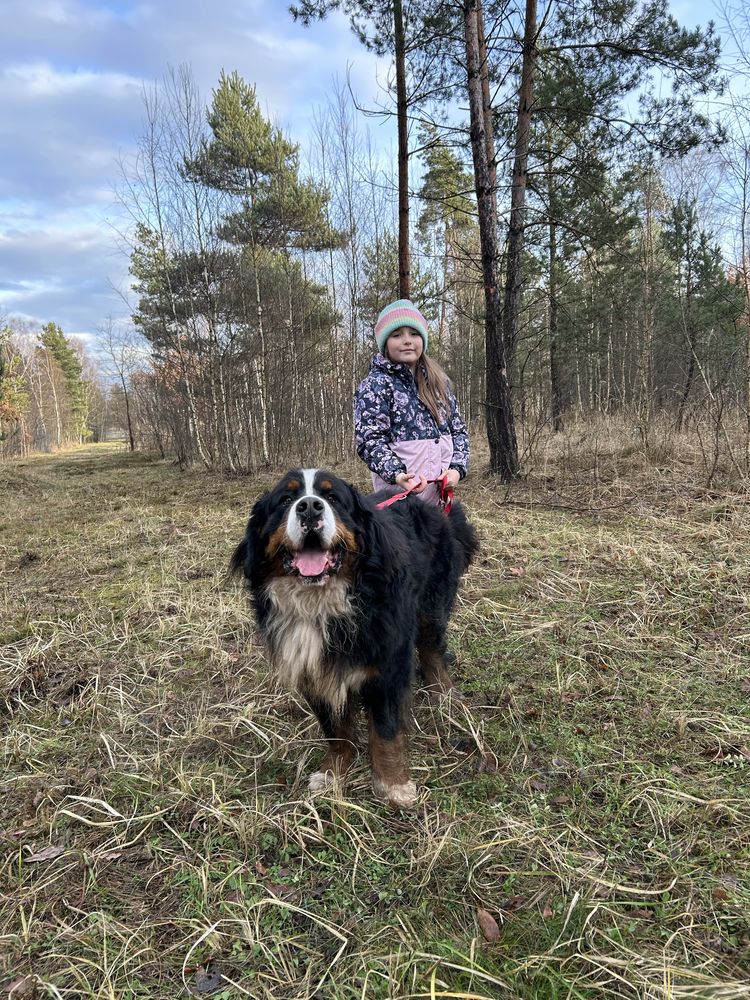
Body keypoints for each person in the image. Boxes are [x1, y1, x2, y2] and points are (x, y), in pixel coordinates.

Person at [354, 299, 469, 507]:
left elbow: (458, 432)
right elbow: (370, 440)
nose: (407, 341)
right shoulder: (376, 385)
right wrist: (398, 474)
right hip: (399, 504)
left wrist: (456, 469)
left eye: (414, 334)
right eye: (397, 335)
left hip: (439, 503)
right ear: (385, 342)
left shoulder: (438, 383)